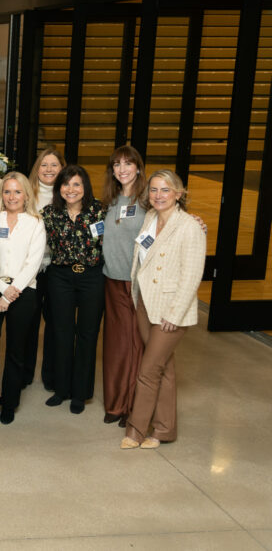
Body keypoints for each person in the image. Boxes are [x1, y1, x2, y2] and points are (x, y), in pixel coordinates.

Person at [121, 170, 205, 450]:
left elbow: (192, 274)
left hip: (170, 310)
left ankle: (136, 430)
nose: (158, 195)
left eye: (165, 190)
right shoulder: (150, 218)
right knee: (163, 368)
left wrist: (175, 313)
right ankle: (164, 430)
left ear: (179, 194)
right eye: (154, 190)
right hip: (146, 302)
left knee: (148, 370)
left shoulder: (189, 227)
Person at [0, 172, 46, 424]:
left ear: (26, 195)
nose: (12, 196)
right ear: (1, 194)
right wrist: (1, 289)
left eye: (17, 191)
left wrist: (12, 291)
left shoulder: (36, 223)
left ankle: (9, 402)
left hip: (24, 290)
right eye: (7, 191)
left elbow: (33, 263)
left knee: (16, 351)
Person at [41, 164, 106, 414]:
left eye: (77, 184)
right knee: (62, 332)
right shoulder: (49, 213)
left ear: (85, 187)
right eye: (66, 184)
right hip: (61, 277)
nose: (71, 189)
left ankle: (81, 393)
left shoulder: (100, 210)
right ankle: (62, 389)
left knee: (88, 334)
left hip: (92, 277)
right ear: (59, 188)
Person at [100, 146, 147, 426]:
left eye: (128, 164)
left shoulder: (148, 200)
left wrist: (197, 223)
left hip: (138, 284)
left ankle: (134, 406)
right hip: (112, 281)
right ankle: (115, 404)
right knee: (116, 345)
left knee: (136, 344)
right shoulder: (111, 200)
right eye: (117, 164)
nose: (122, 169)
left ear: (138, 167)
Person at [26, 147, 65, 390]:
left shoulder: (69, 193)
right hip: (30, 269)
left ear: (62, 168)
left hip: (57, 270)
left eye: (54, 165)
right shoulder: (26, 193)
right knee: (28, 324)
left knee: (55, 323)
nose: (49, 170)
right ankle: (25, 374)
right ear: (36, 169)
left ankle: (52, 376)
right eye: (44, 165)